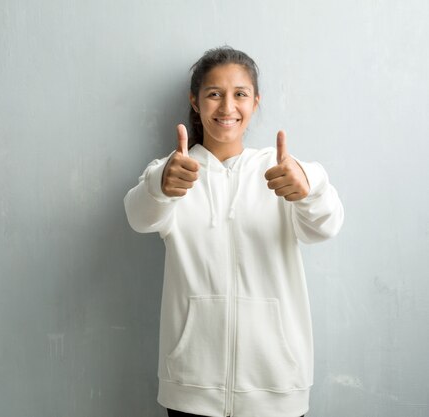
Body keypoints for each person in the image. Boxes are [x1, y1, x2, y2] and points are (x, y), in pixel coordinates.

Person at [123, 46, 344, 417]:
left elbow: (327, 225)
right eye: (214, 94)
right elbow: (138, 215)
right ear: (195, 101)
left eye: (240, 94)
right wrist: (160, 185)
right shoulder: (175, 171)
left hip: (277, 389)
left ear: (256, 102)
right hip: (190, 390)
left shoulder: (281, 171)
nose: (227, 107)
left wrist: (309, 190)